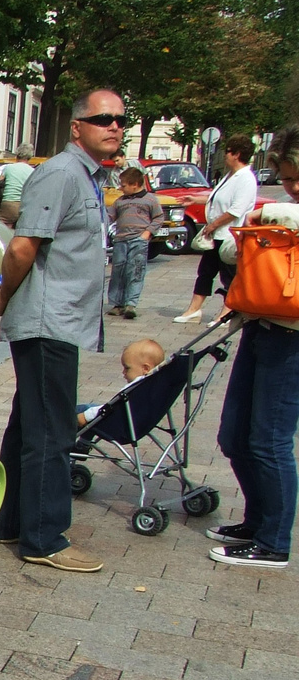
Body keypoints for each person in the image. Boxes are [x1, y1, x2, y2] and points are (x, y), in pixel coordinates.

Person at [0, 88, 127, 573]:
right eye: (103, 118)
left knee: (30, 422)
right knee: (52, 431)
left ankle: (13, 522)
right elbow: (23, 248)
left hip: (59, 320)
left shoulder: (86, 177)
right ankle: (44, 538)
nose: (115, 126)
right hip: (48, 323)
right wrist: (2, 295)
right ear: (77, 127)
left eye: (121, 119)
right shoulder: (61, 174)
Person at [207, 125, 299, 568]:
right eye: (286, 176)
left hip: (292, 340)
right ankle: (257, 521)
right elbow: (229, 250)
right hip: (261, 324)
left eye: (298, 177)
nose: (292, 186)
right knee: (234, 434)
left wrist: (274, 218)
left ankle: (275, 541)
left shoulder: (286, 214)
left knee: (270, 440)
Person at [176, 133, 258, 323]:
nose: (226, 155)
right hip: (216, 234)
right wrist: (196, 200)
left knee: (229, 276)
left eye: (228, 152)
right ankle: (194, 310)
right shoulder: (230, 176)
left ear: (237, 154)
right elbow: (218, 198)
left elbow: (235, 210)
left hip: (229, 235)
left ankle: (227, 312)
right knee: (205, 272)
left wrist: (212, 225)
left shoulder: (246, 178)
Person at [108, 167, 163, 319]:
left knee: (136, 271)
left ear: (135, 184)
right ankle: (117, 303)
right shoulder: (120, 201)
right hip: (121, 240)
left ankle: (130, 304)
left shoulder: (150, 200)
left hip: (138, 241)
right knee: (118, 271)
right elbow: (109, 216)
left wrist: (147, 233)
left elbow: (159, 218)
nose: (121, 188)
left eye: (124, 185)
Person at [77, 338, 165, 427]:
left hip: (118, 423)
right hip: (137, 423)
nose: (123, 372)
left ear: (146, 368)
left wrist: (86, 416)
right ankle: (84, 440)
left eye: (127, 368)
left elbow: (112, 406)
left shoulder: (136, 387)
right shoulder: (155, 385)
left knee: (76, 411)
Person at [0, 143, 36, 227]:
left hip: (8, 202)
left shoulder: (8, 168)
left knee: (4, 229)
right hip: (24, 205)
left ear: (17, 155)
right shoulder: (32, 172)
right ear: (29, 157)